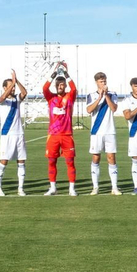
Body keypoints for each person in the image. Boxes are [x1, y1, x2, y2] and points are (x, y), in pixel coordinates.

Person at [41, 64, 78, 197]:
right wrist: (53, 74)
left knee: (70, 162)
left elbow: (74, 88)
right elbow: (44, 88)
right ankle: (53, 188)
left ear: (65, 85)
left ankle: (72, 188)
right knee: (51, 161)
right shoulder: (50, 97)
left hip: (67, 134)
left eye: (62, 84)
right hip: (53, 135)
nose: (60, 86)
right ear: (55, 85)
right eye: (58, 84)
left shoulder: (70, 96)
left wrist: (67, 74)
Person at [85, 71, 122, 195]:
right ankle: (95, 187)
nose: (104, 83)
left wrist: (106, 96)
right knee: (96, 157)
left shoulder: (113, 94)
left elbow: (114, 108)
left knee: (111, 158)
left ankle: (114, 187)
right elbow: (89, 110)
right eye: (101, 81)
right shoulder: (90, 95)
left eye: (105, 81)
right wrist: (99, 97)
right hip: (96, 131)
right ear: (96, 83)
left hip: (109, 131)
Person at [0, 71, 28, 196]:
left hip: (19, 134)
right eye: (10, 86)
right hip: (7, 134)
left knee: (21, 161)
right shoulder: (1, 100)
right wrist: (12, 83)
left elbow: (24, 93)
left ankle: (20, 188)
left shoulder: (16, 99)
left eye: (13, 87)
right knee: (4, 161)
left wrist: (16, 81)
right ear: (4, 88)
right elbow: (2, 98)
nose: (13, 88)